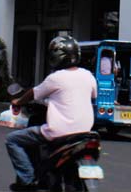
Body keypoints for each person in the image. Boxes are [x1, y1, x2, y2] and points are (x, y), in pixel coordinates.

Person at [5, 35, 97, 192]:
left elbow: (34, 93)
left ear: (57, 57)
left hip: (59, 132)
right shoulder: (88, 75)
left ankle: (27, 180)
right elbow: (92, 96)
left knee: (12, 140)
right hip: (85, 132)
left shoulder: (55, 78)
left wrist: (18, 101)